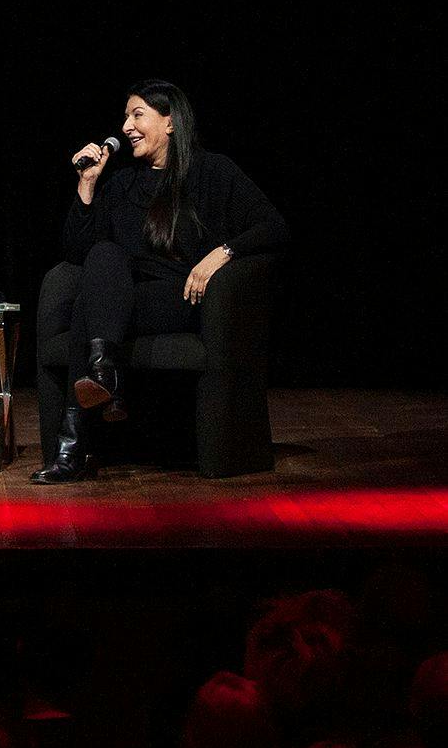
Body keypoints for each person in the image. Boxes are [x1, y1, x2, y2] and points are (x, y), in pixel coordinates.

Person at [31, 79, 289, 484]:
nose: (126, 127)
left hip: (179, 297)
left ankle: (75, 445)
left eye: (138, 115)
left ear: (170, 122)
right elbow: (77, 254)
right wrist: (87, 184)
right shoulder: (121, 184)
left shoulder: (212, 171)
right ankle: (104, 376)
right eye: (125, 117)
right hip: (122, 299)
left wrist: (221, 254)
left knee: (87, 308)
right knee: (101, 255)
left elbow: (273, 227)